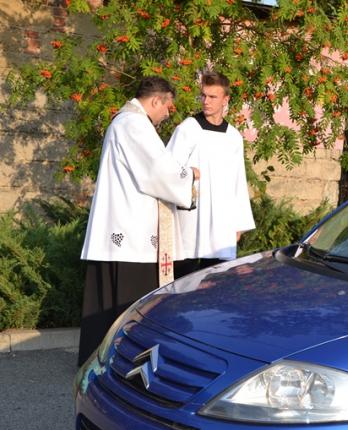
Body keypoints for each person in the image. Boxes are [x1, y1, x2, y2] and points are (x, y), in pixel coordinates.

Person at [77, 76, 199, 366]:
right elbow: (158, 172)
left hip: (124, 230)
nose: (167, 114)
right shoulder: (134, 125)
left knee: (111, 307)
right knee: (131, 307)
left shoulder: (125, 122)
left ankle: (104, 361)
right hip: (132, 236)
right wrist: (190, 176)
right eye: (167, 107)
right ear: (156, 100)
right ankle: (123, 363)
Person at [167, 71, 255, 278]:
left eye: (213, 97)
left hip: (221, 221)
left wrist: (239, 223)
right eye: (203, 95)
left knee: (216, 281)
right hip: (190, 219)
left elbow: (238, 181)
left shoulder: (233, 136)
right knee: (182, 280)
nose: (206, 101)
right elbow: (169, 171)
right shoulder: (187, 129)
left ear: (225, 99)